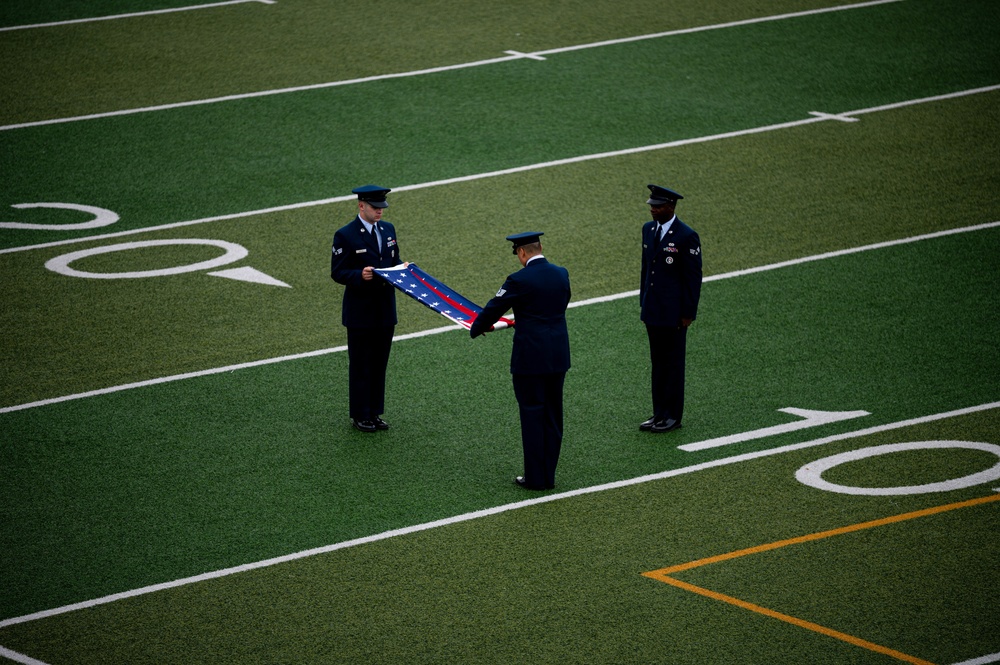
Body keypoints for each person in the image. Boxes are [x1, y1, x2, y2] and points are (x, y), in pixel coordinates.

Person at [470, 232, 571, 490]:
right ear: (540, 247)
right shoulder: (561, 273)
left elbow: (494, 308)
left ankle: (535, 479)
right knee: (552, 415)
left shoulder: (518, 279)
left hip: (530, 358)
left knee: (532, 415)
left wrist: (476, 327)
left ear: (522, 253)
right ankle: (548, 475)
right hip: (558, 355)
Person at [330, 184, 403, 433]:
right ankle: (360, 415)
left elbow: (394, 261)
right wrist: (359, 275)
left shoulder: (389, 229)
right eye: (375, 207)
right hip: (360, 312)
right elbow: (337, 272)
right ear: (361, 206)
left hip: (385, 310)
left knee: (379, 363)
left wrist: (405, 270)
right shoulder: (345, 235)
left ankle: (374, 412)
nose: (380, 211)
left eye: (382, 207)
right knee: (361, 364)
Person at [639, 184, 702, 433]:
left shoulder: (686, 236)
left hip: (675, 314)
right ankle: (658, 414)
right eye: (652, 206)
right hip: (653, 311)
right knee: (658, 363)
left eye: (658, 206)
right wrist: (643, 302)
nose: (653, 210)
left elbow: (693, 278)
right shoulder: (648, 230)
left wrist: (688, 313)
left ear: (672, 206)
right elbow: (646, 270)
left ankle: (673, 416)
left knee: (673, 365)